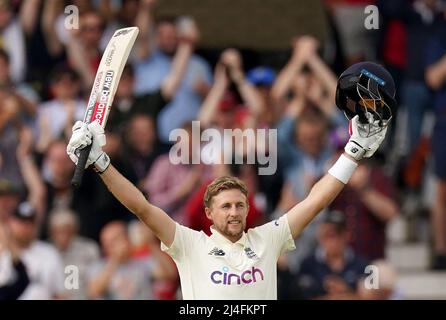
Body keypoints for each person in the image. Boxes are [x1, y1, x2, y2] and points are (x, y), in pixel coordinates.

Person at [66, 62, 392, 299]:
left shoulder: (268, 238)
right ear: (208, 213)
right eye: (225, 206)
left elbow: (317, 199)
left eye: (239, 205)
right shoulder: (189, 243)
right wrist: (100, 162)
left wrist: (353, 153)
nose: (234, 212)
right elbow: (141, 206)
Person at [295, 211, 369, 300]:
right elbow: (297, 295)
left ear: (347, 235)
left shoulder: (362, 264)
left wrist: (346, 290)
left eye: (334, 234)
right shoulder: (308, 264)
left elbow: (372, 296)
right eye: (326, 235)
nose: (330, 240)